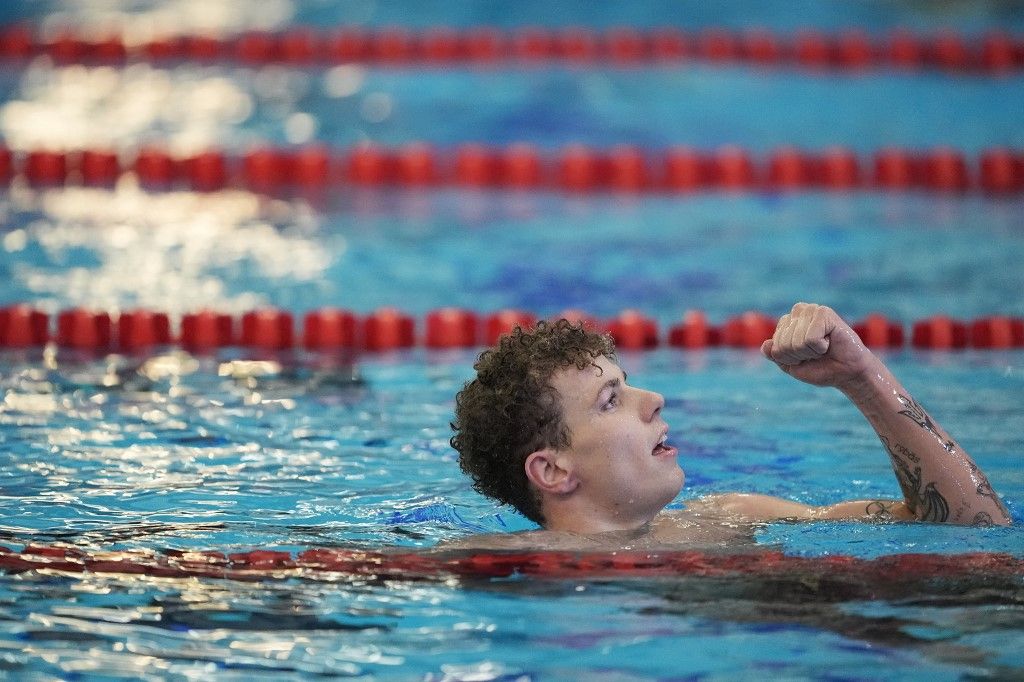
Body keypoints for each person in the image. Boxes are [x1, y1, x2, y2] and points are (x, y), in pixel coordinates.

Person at [448, 302, 1011, 550]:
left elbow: (975, 529)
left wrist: (862, 379)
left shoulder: (734, 518)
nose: (655, 401)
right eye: (610, 400)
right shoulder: (509, 560)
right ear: (552, 469)